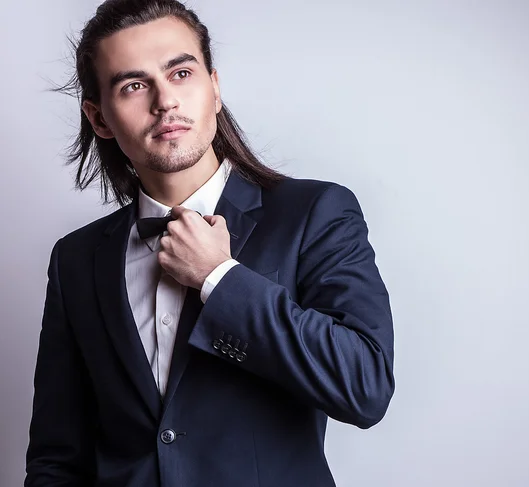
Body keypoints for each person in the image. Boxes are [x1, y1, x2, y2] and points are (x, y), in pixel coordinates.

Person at [25, 0, 395, 486]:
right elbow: (57, 455)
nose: (165, 101)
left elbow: (364, 387)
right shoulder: (75, 259)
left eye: (181, 74)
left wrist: (219, 279)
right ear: (98, 118)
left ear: (214, 89)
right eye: (134, 85)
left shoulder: (315, 213)